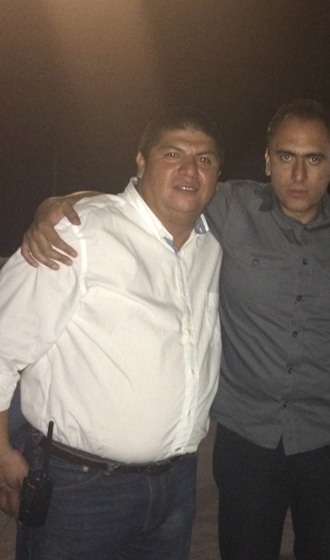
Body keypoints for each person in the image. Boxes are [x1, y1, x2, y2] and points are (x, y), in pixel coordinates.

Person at [20, 99, 330, 560]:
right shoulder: (229, 206)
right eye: (286, 156)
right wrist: (58, 205)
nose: (298, 174)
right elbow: (147, 199)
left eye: (314, 159)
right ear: (267, 161)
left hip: (329, 440)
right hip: (248, 439)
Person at [0, 106, 224, 559]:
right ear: (141, 162)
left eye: (204, 159)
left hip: (175, 487)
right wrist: (2, 453)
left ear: (218, 174)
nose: (189, 169)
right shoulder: (78, 233)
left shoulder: (210, 246)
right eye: (173, 154)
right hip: (80, 491)